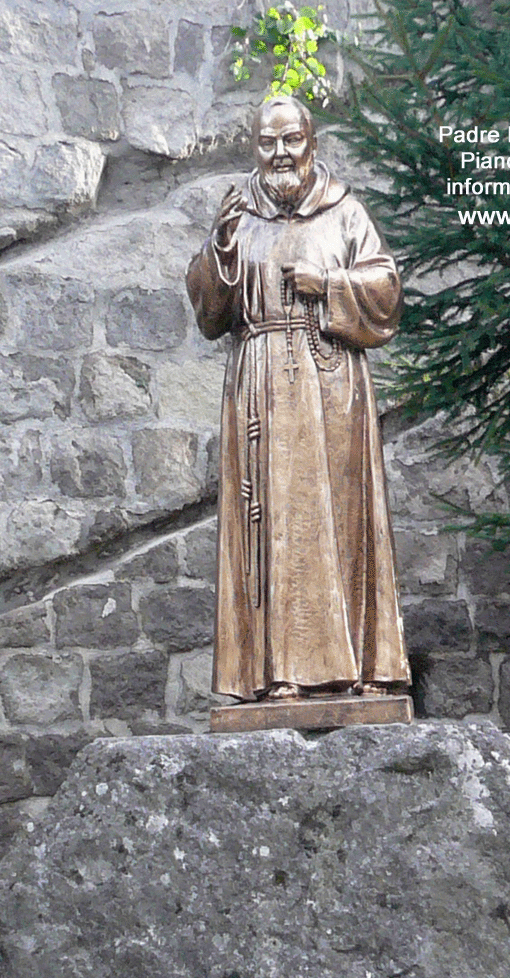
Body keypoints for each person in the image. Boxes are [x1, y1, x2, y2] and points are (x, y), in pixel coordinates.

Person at [186, 95, 411, 702]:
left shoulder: (345, 214)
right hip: (259, 383)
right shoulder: (239, 215)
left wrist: (330, 284)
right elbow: (210, 314)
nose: (280, 153)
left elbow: (386, 293)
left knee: (335, 521)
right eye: (267, 142)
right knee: (270, 528)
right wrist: (221, 249)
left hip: (331, 384)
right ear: (253, 148)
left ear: (312, 144)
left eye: (291, 140)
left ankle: (352, 668)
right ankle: (267, 676)